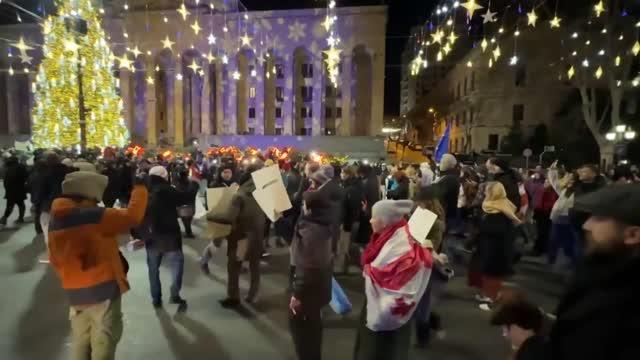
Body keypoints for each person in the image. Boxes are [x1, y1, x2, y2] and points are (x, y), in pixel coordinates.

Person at [48, 167, 148, 360]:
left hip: (74, 290)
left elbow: (54, 257)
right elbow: (132, 217)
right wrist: (140, 188)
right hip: (102, 289)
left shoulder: (57, 217)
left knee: (81, 340)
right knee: (104, 339)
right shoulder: (92, 215)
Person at [548, 183, 640, 359]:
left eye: (599, 218)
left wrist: (527, 346)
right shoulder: (602, 270)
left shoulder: (626, 304)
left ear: (633, 235)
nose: (586, 225)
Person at [353, 199, 432, 360]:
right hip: (377, 303)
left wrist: (370, 271)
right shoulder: (389, 235)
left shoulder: (398, 245)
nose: (370, 220)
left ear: (384, 221)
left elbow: (390, 276)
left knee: (379, 350)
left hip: (386, 311)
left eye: (374, 217)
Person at [289, 166, 339, 360]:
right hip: (317, 286)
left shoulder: (314, 229)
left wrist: (298, 294)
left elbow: (310, 264)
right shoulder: (320, 221)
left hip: (309, 289)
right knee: (311, 327)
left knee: (304, 330)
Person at [209, 163, 266, 307]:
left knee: (234, 267)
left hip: (241, 237)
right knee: (255, 266)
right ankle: (253, 295)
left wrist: (212, 215)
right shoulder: (263, 193)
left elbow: (229, 218)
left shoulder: (238, 196)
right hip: (258, 235)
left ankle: (233, 297)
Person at [141, 165, 190, 309]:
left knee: (153, 268)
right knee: (177, 264)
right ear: (164, 176)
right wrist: (192, 185)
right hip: (170, 235)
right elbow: (184, 198)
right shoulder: (168, 189)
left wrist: (138, 234)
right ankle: (175, 294)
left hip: (151, 236)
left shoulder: (143, 191)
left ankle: (156, 298)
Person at [469, 182, 521, 306]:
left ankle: (490, 298)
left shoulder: (497, 211)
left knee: (491, 275)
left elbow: (494, 230)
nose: (485, 193)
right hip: (492, 248)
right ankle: (488, 295)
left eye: (487, 191)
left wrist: (480, 228)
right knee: (488, 274)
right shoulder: (501, 205)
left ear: (493, 193)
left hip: (495, 250)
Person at [412, 186, 448, 348]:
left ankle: (424, 335)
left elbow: (431, 245)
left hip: (426, 265)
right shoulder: (422, 215)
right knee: (418, 301)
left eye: (418, 201)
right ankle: (432, 323)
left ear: (425, 201)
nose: (415, 204)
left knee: (422, 303)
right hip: (417, 263)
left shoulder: (434, 221)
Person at [200, 166, 237, 274]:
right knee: (216, 244)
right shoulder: (214, 186)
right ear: (220, 173)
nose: (227, 174)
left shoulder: (234, 184)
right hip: (219, 220)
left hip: (233, 218)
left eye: (229, 172)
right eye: (224, 172)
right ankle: (204, 261)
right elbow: (210, 204)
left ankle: (236, 264)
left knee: (235, 244)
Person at [490, 293, 548, 360]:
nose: (505, 335)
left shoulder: (529, 355)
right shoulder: (543, 345)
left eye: (505, 329)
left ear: (517, 327)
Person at [37, 152, 73, 247]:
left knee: (48, 230)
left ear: (47, 162)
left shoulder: (45, 174)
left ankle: (53, 251)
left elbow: (41, 192)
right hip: (68, 204)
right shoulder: (69, 172)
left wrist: (38, 203)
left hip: (50, 206)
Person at [547, 162, 577, 265]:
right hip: (558, 218)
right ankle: (552, 259)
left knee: (569, 242)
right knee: (553, 240)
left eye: (572, 179)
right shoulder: (564, 190)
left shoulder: (579, 192)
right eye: (569, 178)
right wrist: (552, 170)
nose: (569, 180)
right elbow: (554, 182)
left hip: (570, 219)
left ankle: (570, 261)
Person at [336, 165, 364, 274]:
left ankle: (343, 268)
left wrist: (345, 223)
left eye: (343, 173)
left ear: (348, 174)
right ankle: (343, 267)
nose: (341, 175)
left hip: (348, 222)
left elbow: (351, 208)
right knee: (344, 245)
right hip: (347, 221)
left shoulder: (351, 189)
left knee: (345, 245)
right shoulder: (349, 186)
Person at [532, 178, 558, 256]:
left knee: (543, 232)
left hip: (546, 213)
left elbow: (539, 204)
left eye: (548, 182)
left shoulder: (549, 191)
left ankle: (539, 249)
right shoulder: (544, 190)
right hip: (543, 213)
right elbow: (538, 203)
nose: (546, 183)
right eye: (546, 181)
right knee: (543, 232)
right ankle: (542, 249)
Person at [1, 156, 28, 225]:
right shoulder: (21, 166)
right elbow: (25, 176)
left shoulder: (9, 168)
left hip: (11, 190)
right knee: (20, 204)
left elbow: (7, 179)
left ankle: (4, 218)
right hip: (19, 189)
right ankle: (20, 218)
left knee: (10, 205)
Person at [434, 153, 460, 226]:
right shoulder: (447, 177)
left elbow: (444, 197)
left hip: (445, 214)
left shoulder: (450, 179)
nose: (441, 163)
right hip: (444, 212)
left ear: (449, 164)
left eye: (442, 161)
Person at [175, 167, 200, 238]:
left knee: (185, 219)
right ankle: (188, 232)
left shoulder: (178, 184)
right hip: (190, 204)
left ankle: (188, 232)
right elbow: (195, 189)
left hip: (183, 205)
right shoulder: (192, 183)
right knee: (188, 219)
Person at [28, 159, 48, 234]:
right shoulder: (46, 175)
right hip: (44, 198)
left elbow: (28, 187)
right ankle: (43, 229)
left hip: (36, 197)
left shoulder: (33, 175)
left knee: (37, 214)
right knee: (44, 214)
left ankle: (38, 230)